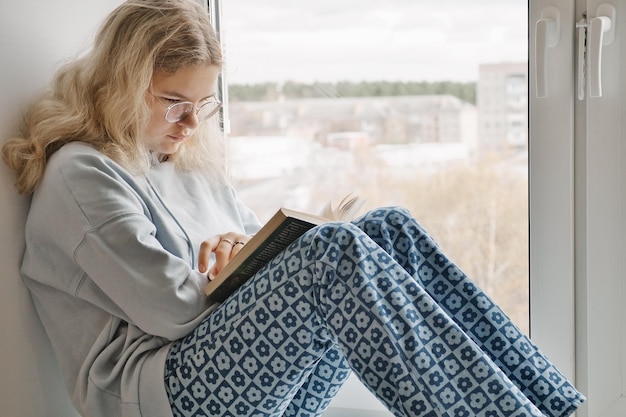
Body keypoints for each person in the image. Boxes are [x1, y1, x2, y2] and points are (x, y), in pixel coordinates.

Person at [2, 1, 584, 416]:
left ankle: (552, 406)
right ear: (120, 86)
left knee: (389, 230)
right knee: (331, 256)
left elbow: (256, 253)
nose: (188, 124)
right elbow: (175, 312)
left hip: (241, 377)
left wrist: (237, 256)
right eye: (173, 102)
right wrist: (229, 271)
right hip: (162, 391)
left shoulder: (183, 161)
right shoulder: (82, 173)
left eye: (201, 106)